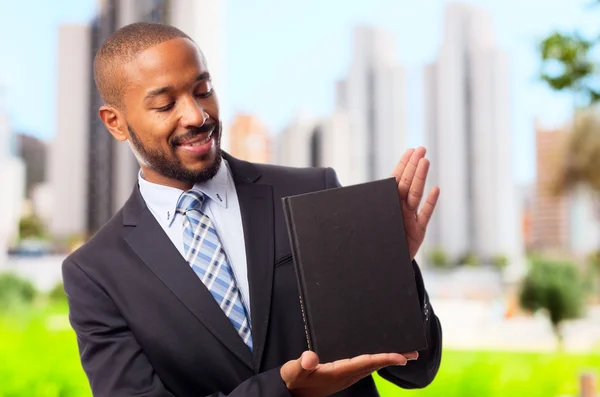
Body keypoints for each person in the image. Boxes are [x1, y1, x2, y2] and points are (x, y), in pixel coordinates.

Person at [62, 21, 442, 397]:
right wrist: (284, 391)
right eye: (165, 104)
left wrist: (390, 272)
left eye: (203, 90)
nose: (196, 116)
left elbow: (414, 372)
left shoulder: (313, 190)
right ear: (115, 122)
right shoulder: (96, 273)